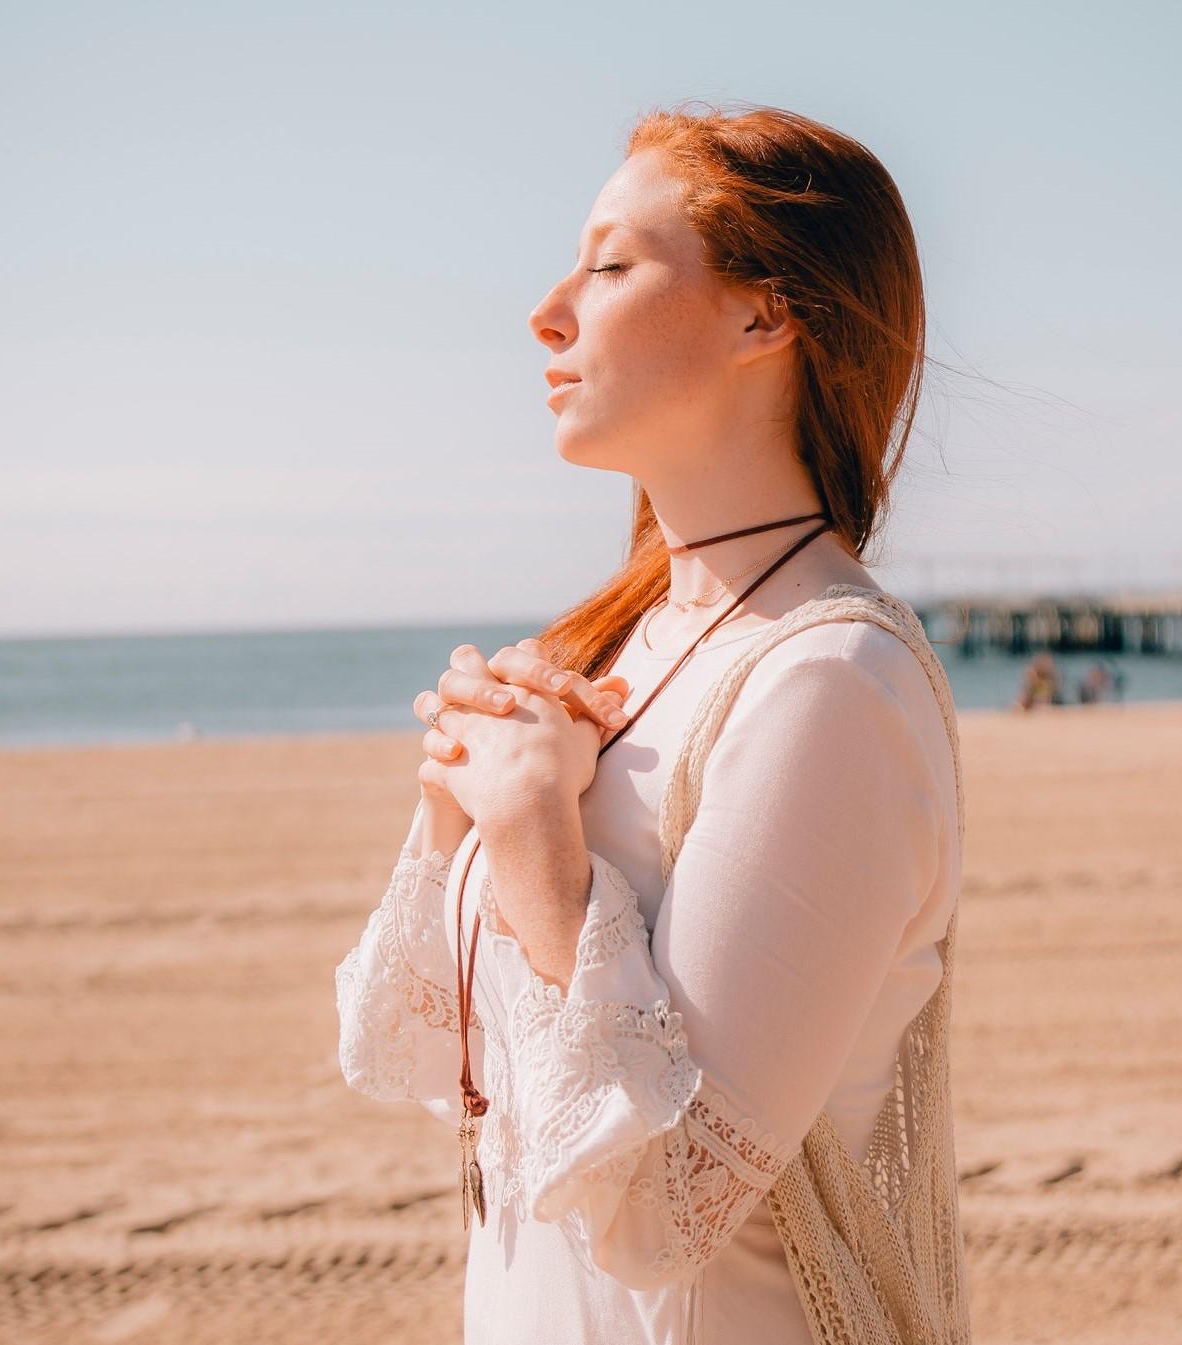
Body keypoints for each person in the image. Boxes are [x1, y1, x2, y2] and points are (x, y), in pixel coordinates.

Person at [334, 103, 968, 1345]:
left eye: (611, 264)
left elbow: (661, 1211)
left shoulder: (831, 679)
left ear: (765, 313)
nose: (547, 309)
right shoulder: (620, 648)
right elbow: (430, 1059)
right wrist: (454, 797)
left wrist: (526, 828)